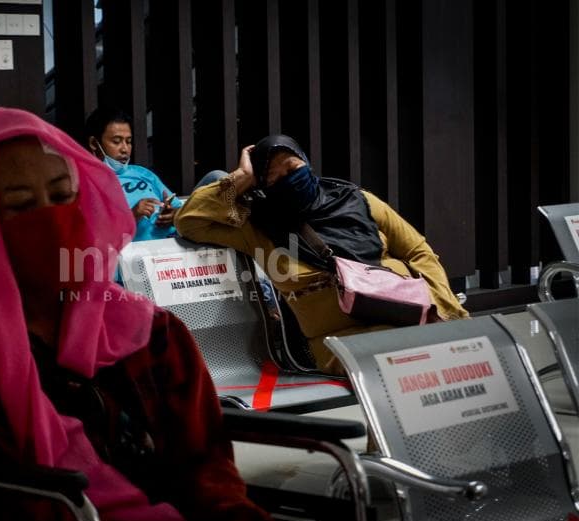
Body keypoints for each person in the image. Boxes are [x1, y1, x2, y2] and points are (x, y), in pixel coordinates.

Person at [0, 107, 273, 521]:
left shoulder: (149, 331)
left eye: (63, 197)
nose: (51, 220)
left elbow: (206, 467)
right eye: (21, 206)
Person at [174, 134, 469, 375]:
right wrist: (241, 176)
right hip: (341, 341)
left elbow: (418, 251)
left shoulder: (356, 200)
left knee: (462, 351)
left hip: (409, 315)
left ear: (307, 163)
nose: (288, 179)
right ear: (262, 187)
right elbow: (189, 220)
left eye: (292, 168)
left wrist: (444, 308)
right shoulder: (259, 227)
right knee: (414, 360)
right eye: (274, 179)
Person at [85, 107, 183, 241]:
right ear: (94, 143)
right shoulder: (87, 183)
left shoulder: (141, 172)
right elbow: (94, 235)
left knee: (216, 177)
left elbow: (183, 210)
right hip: (138, 254)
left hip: (174, 245)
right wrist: (132, 216)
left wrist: (172, 215)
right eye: (116, 141)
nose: (125, 149)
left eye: (128, 141)